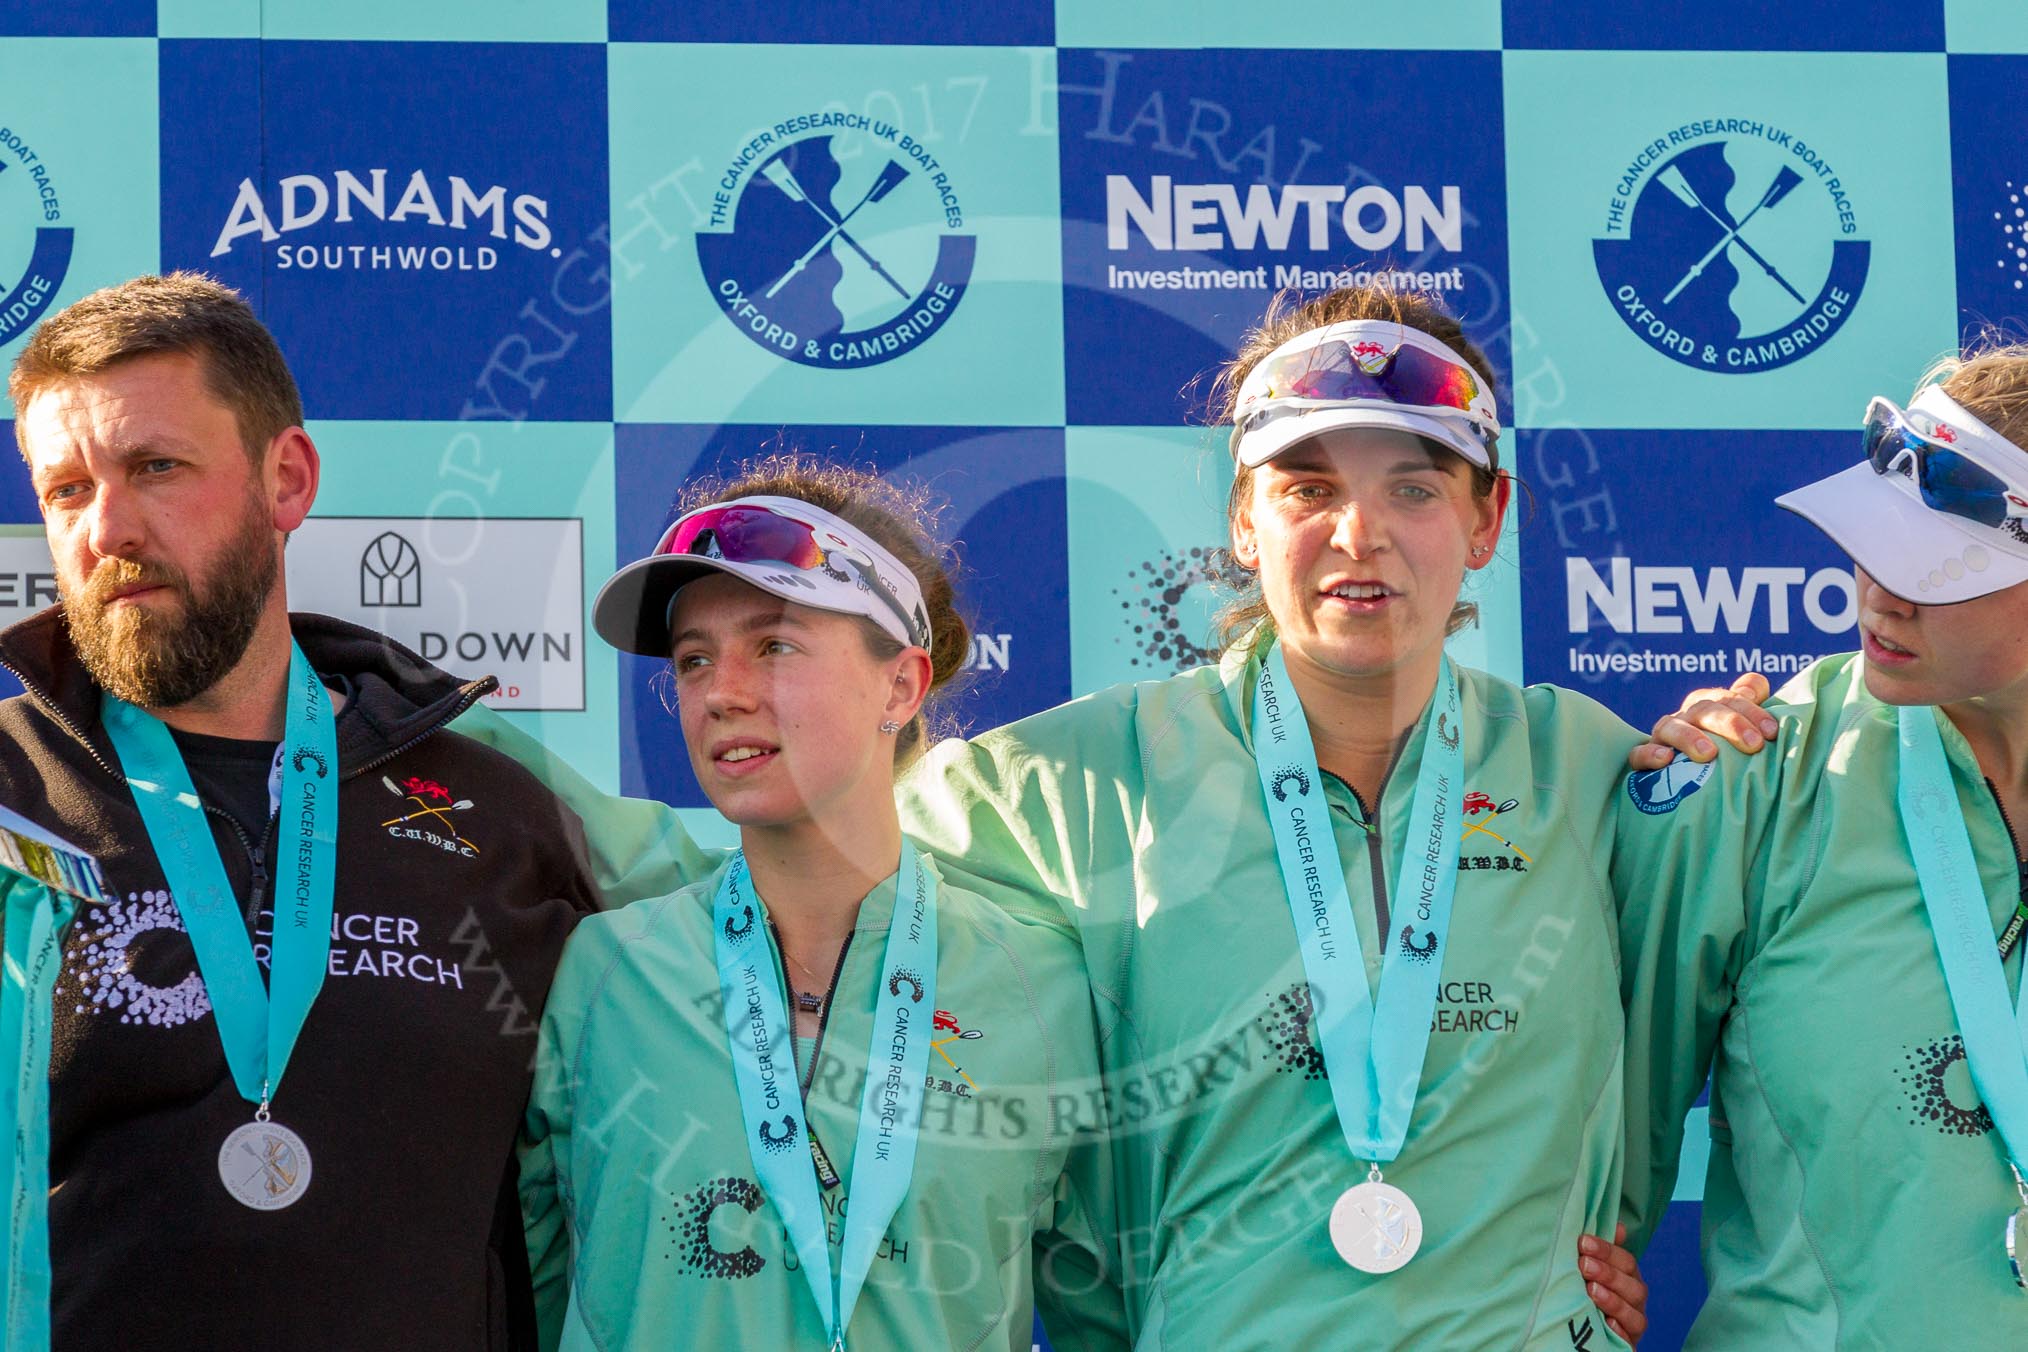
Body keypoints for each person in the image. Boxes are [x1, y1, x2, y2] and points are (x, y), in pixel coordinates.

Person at [463, 286, 1714, 1348]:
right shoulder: (1081, 771)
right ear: (1242, 519)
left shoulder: (1593, 768)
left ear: (1487, 517)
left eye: (1416, 486)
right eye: (1306, 485)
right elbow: (795, 846)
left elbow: (1717, 985)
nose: (1358, 532)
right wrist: (442, 762)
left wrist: (1585, 1244)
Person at [0, 274, 600, 1350]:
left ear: (286, 479)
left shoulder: (503, 819)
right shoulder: (9, 804)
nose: (109, 528)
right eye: (66, 489)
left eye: (156, 467)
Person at [518, 459, 1125, 1350]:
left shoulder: (1041, 983)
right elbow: (517, 1293)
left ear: (901, 685)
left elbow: (1104, 1316)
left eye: (774, 644)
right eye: (693, 661)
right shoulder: (601, 974)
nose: (721, 692)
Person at [1613, 342, 2028, 1345]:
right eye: (1872, 540)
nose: (1880, 592)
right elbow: (1600, 1173)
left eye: (1937, 564)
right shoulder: (1752, 774)